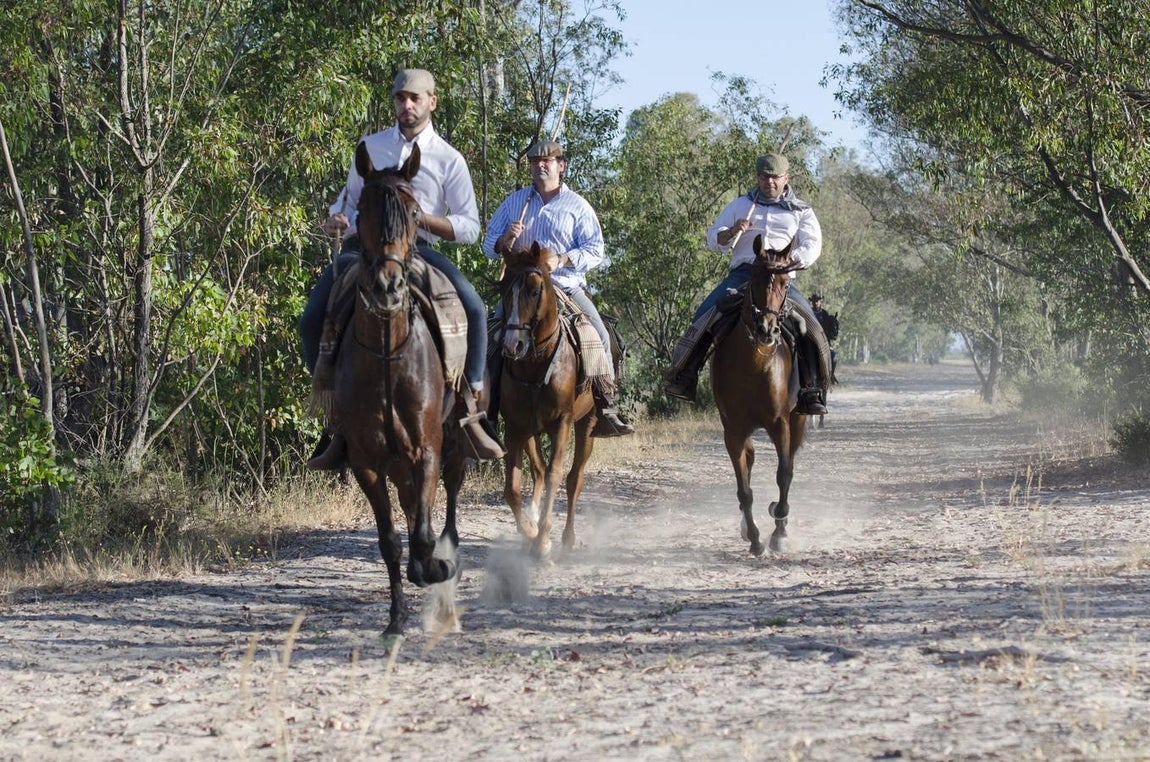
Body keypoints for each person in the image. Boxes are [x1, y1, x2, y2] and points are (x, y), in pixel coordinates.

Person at [300, 68, 504, 465]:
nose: (406, 105)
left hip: (419, 249)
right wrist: (337, 219)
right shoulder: (370, 147)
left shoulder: (449, 159)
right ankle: (336, 417)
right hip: (364, 249)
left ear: (432, 101)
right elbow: (346, 201)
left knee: (475, 310)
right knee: (310, 319)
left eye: (415, 98)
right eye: (400, 98)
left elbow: (468, 228)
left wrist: (418, 218)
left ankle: (470, 408)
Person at [482, 138, 634, 437]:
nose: (540, 165)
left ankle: (606, 406)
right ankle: (487, 414)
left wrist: (563, 259)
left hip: (565, 286)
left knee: (600, 333)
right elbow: (488, 245)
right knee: (491, 336)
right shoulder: (514, 203)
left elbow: (596, 250)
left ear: (560, 166)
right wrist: (505, 241)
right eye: (535, 161)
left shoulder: (577, 205)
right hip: (522, 289)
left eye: (547, 160)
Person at [663, 153, 832, 415]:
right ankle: (685, 375)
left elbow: (813, 245)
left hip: (780, 278)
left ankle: (811, 388)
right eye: (764, 177)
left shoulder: (802, 210)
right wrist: (731, 232)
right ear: (757, 177)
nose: (770, 182)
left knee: (809, 324)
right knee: (706, 314)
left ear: (786, 178)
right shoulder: (739, 206)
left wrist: (790, 260)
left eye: (775, 177)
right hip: (743, 274)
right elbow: (713, 239)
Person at [811, 293, 840, 383]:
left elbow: (829, 329)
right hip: (809, 341)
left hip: (823, 342)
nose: (815, 303)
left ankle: (831, 375)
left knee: (834, 356)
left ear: (821, 302)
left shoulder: (825, 314)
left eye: (817, 301)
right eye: (814, 301)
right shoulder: (808, 312)